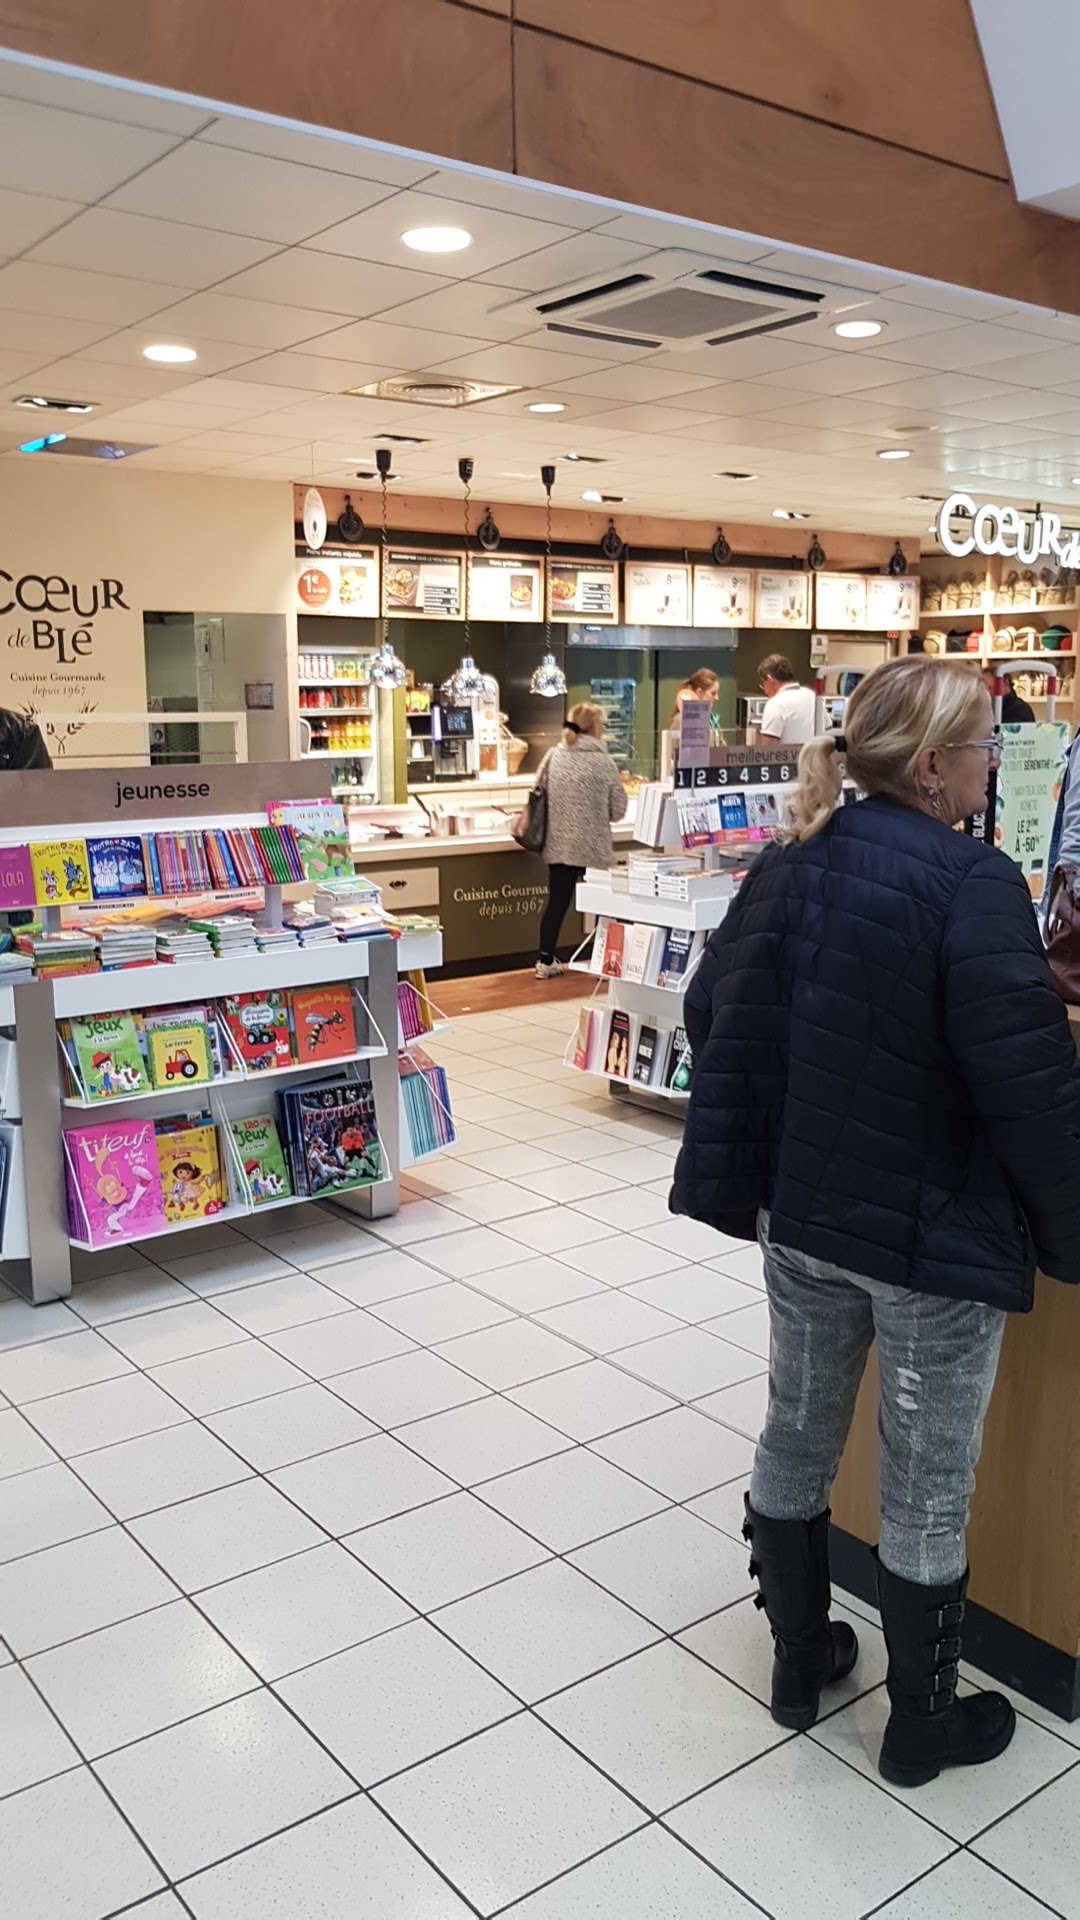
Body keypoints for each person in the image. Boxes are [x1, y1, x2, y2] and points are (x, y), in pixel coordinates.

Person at [672, 655, 1080, 1787]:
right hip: (929, 1243)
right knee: (928, 1478)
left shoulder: (789, 858)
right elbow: (1029, 1090)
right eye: (987, 745)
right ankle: (920, 1725)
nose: (995, 764)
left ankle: (799, 1663)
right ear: (936, 765)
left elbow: (712, 1012)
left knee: (796, 1430)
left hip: (803, 1221)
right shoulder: (973, 883)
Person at [535, 702, 627, 980]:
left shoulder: (554, 756)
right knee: (603, 906)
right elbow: (618, 810)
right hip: (594, 847)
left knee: (557, 903)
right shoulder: (604, 762)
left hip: (560, 845)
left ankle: (545, 960)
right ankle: (604, 963)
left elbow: (537, 791)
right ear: (594, 728)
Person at [758, 654, 815, 746]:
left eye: (763, 684)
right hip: (816, 754)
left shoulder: (775, 704)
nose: (764, 691)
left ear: (769, 679)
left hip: (790, 755)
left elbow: (767, 750)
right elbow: (828, 732)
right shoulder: (812, 696)